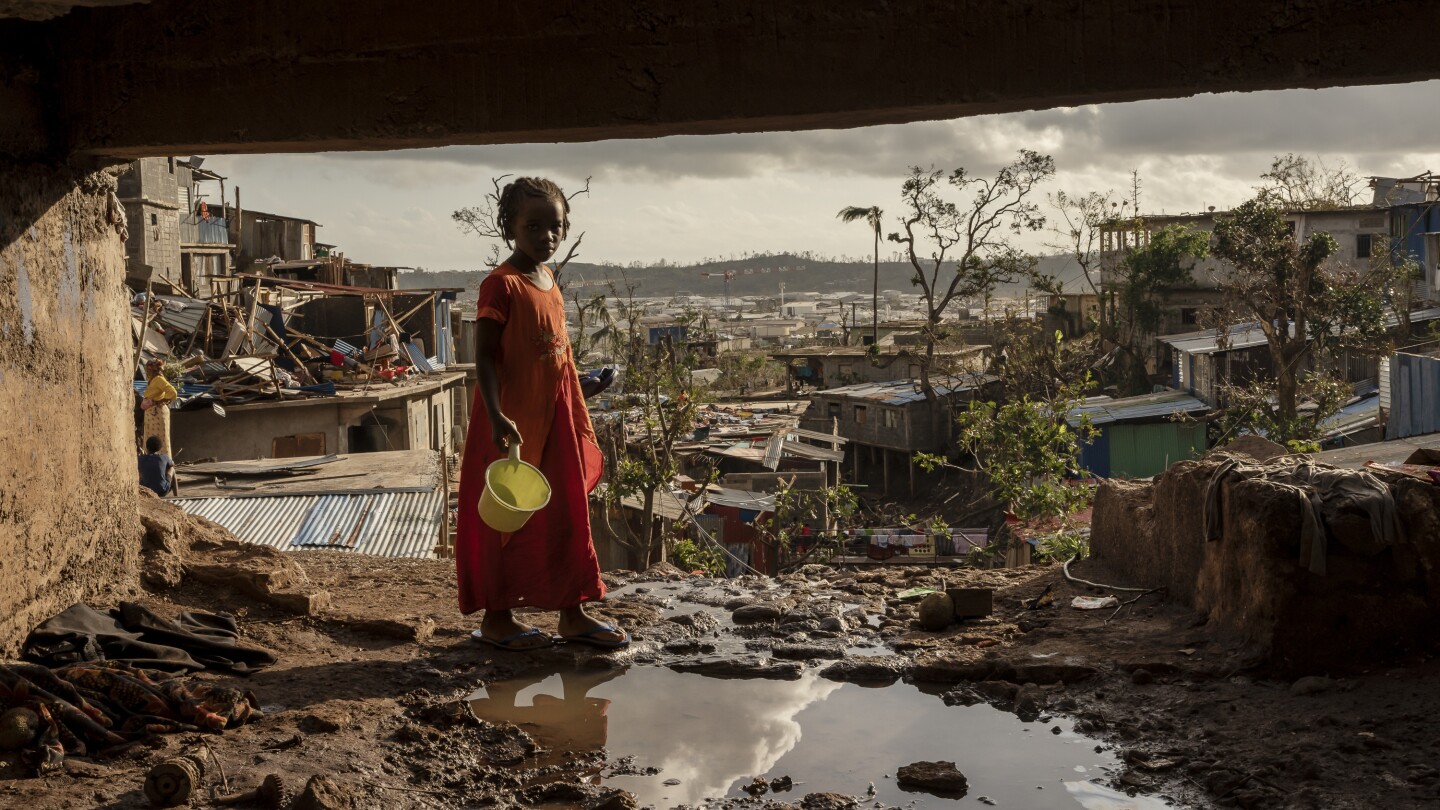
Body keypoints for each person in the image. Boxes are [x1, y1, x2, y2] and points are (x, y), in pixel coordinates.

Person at [455, 177, 629, 652]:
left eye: (555, 227)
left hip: (555, 418)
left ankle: (572, 613)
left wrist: (581, 388)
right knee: (504, 522)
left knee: (567, 513)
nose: (546, 237)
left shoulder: (549, 280)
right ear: (509, 226)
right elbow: (485, 360)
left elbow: (555, 354)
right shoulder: (501, 285)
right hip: (511, 424)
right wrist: (494, 415)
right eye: (533, 226)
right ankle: (497, 618)